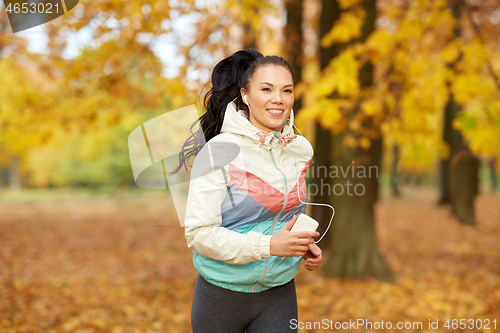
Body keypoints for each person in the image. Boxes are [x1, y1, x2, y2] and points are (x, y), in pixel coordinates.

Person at [176, 49, 322, 333]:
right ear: (245, 95)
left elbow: (285, 216)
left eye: (286, 90)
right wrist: (268, 246)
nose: (278, 98)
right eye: (266, 89)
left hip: (278, 293)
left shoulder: (301, 150)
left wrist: (300, 245)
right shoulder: (219, 151)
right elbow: (198, 234)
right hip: (221, 296)